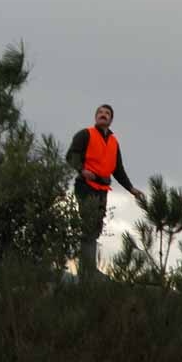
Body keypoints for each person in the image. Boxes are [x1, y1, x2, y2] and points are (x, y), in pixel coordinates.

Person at [66, 104, 143, 276]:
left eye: (107, 113)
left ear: (111, 119)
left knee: (95, 227)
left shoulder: (114, 142)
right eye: (100, 112)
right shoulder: (85, 134)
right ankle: (87, 270)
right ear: (95, 117)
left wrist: (131, 188)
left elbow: (118, 169)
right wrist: (82, 170)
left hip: (102, 189)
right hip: (85, 186)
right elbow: (71, 155)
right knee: (88, 224)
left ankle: (89, 268)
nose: (103, 115)